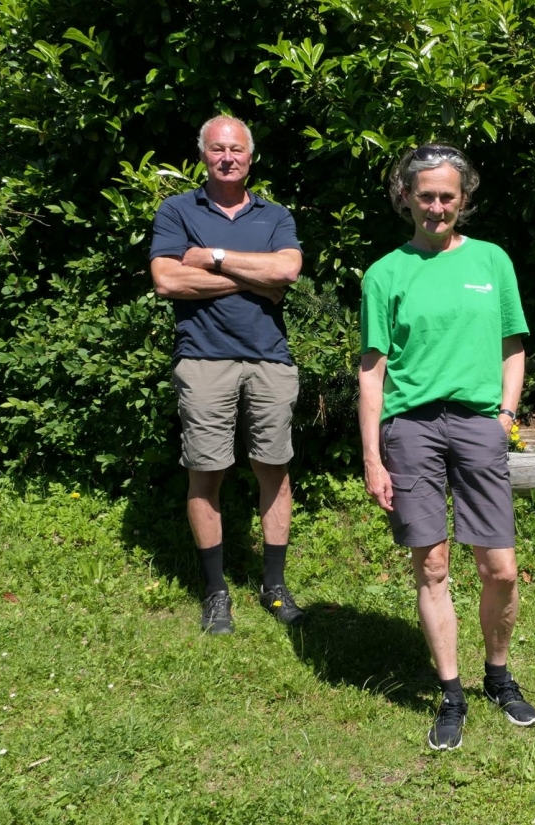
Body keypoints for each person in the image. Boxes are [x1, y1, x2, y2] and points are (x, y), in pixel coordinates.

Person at [358, 144, 535, 751]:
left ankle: (499, 675)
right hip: (411, 431)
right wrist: (372, 457)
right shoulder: (385, 273)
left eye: (447, 196)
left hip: (478, 425)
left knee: (501, 569)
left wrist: (505, 415)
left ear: (463, 200)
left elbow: (514, 345)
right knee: (431, 565)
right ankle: (452, 691)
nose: (436, 206)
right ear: (405, 197)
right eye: (426, 195)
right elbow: (372, 372)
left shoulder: (492, 261)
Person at [150, 115, 305, 635]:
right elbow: (167, 281)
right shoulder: (177, 210)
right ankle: (216, 592)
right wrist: (250, 277)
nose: (227, 157)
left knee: (274, 468)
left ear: (250, 155)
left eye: (236, 149)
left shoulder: (275, 215)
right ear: (203, 155)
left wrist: (212, 260)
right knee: (206, 471)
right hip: (203, 359)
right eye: (217, 149)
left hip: (270, 359)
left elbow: (285, 272)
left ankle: (275, 586)